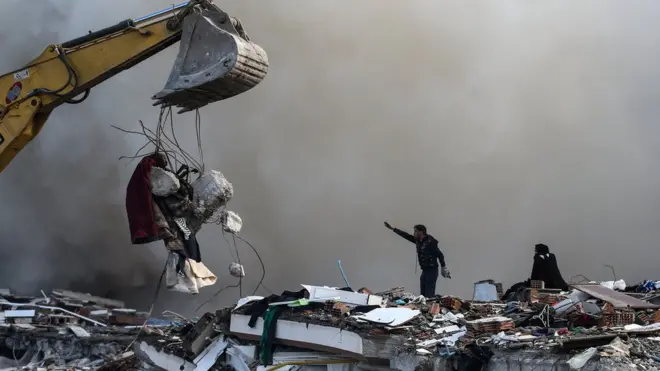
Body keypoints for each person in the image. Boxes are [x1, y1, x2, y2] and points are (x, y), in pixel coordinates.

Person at [384, 222, 450, 297]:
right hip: (424, 271)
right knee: (423, 295)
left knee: (429, 295)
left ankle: (432, 304)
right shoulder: (418, 241)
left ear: (421, 232)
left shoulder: (430, 242)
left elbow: (440, 255)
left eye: (415, 231)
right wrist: (393, 229)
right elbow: (406, 235)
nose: (414, 233)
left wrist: (443, 267)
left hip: (432, 271)